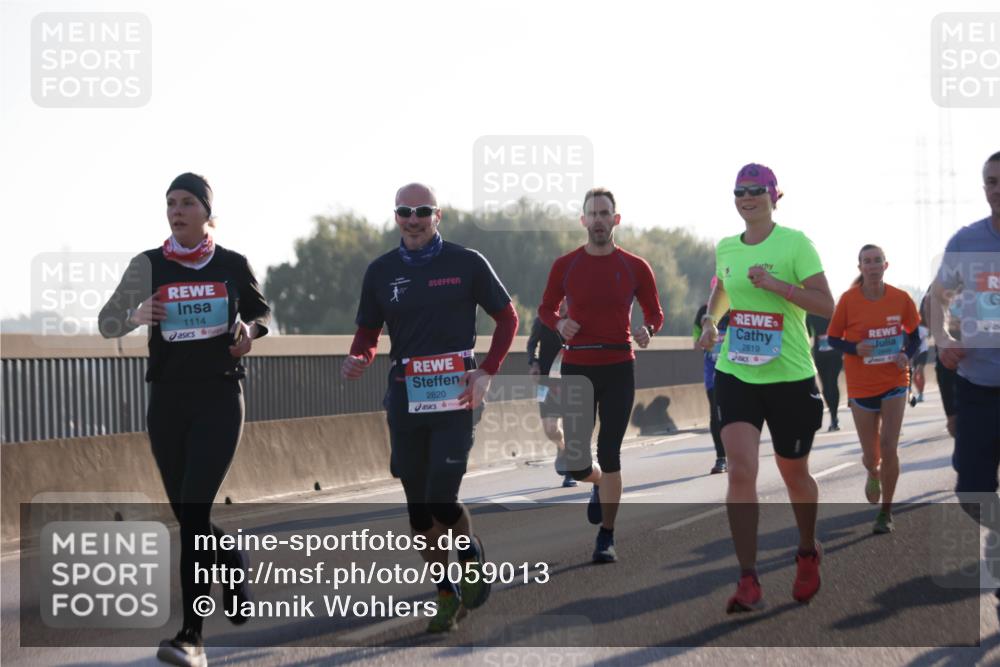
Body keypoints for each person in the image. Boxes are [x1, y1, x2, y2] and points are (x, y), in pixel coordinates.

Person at [99, 173, 271, 667]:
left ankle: (190, 637)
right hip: (168, 403)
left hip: (219, 398)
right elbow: (106, 320)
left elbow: (261, 315)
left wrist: (249, 331)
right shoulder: (148, 265)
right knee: (186, 514)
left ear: (206, 212)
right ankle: (231, 559)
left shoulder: (233, 264)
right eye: (170, 203)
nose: (176, 210)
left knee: (194, 514)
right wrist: (136, 314)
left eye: (187, 203)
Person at [341, 183, 518, 632]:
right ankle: (445, 591)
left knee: (442, 496)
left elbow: (508, 318)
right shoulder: (380, 272)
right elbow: (367, 332)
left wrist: (488, 371)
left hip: (457, 394)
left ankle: (471, 554)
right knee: (419, 511)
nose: (413, 219)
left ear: (437, 215)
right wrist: (359, 357)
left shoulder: (466, 262)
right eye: (405, 211)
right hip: (405, 396)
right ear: (396, 216)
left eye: (422, 211)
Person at [698, 163, 833, 613]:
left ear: (775, 196)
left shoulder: (796, 243)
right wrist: (711, 322)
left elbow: (826, 306)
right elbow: (724, 288)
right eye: (740, 190)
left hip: (790, 375)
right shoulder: (726, 247)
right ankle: (748, 577)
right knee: (740, 471)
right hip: (738, 371)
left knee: (794, 473)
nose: (747, 197)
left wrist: (778, 286)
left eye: (757, 190)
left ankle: (807, 551)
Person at [539, 187, 664, 564]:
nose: (598, 219)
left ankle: (606, 535)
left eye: (604, 213)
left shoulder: (635, 266)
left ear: (616, 219)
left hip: (618, 367)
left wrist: (649, 330)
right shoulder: (566, 265)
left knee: (610, 453)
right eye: (592, 213)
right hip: (578, 367)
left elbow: (654, 312)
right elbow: (546, 308)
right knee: (577, 462)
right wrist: (559, 322)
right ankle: (596, 485)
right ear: (583, 221)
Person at [826, 245, 921, 534]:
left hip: (894, 380)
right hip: (861, 385)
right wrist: (854, 347)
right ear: (860, 268)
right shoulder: (848, 300)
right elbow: (832, 339)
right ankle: (872, 472)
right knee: (872, 455)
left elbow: (915, 337)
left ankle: (886, 511)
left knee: (890, 446)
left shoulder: (900, 299)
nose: (872, 265)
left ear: (885, 265)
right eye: (867, 261)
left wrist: (907, 353)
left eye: (877, 260)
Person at [929, 151, 1000, 498]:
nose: (998, 189)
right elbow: (936, 297)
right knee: (973, 491)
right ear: (985, 188)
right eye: (992, 181)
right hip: (978, 389)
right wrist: (941, 338)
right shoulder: (965, 241)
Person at [527, 303, 577, 487]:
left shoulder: (578, 319)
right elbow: (532, 344)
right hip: (546, 382)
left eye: (566, 299)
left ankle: (571, 469)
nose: (563, 303)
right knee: (550, 429)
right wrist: (533, 363)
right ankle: (563, 448)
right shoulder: (542, 320)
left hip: (572, 379)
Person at [693, 279, 730, 474]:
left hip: (736, 371)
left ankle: (738, 453)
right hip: (712, 373)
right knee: (715, 415)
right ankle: (721, 458)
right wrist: (705, 337)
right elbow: (695, 342)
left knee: (733, 414)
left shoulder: (737, 310)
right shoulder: (703, 313)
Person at [806, 313, 843, 431]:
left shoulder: (811, 313)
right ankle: (834, 417)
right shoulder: (832, 310)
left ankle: (834, 417)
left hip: (829, 352)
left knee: (830, 384)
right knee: (829, 385)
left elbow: (807, 333)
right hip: (825, 352)